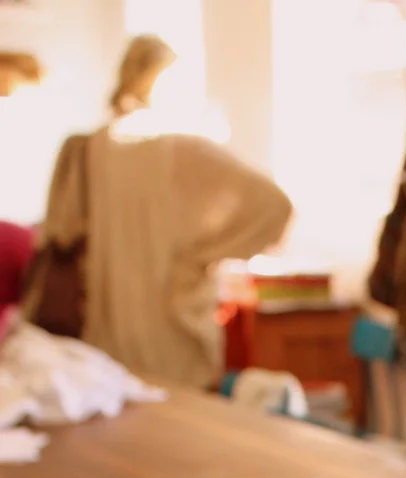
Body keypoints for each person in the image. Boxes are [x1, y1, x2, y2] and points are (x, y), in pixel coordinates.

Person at [23, 35, 293, 389]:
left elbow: (59, 231)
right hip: (174, 344)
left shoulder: (87, 149)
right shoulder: (188, 152)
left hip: (102, 349)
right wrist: (202, 253)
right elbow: (274, 207)